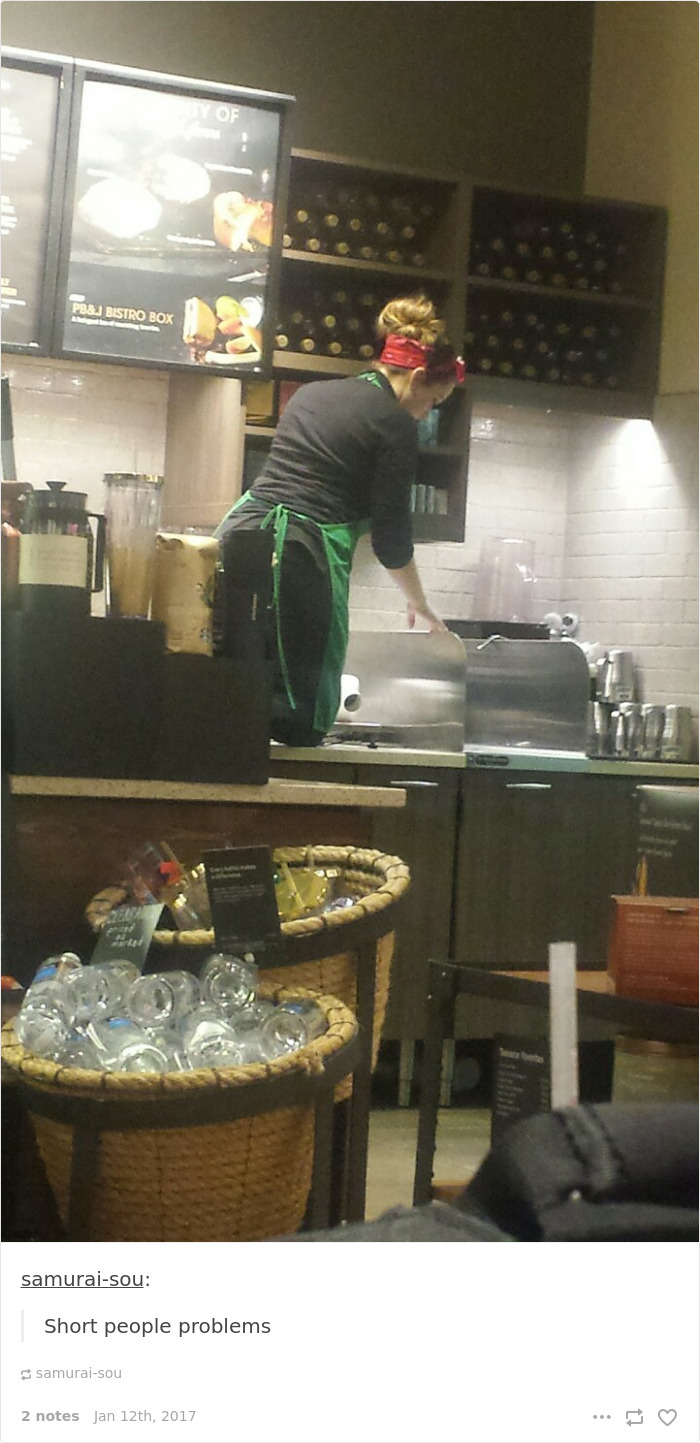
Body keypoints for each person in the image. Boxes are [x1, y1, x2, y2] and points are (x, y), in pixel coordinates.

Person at [215, 293, 465, 746]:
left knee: (226, 675)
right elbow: (391, 538)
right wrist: (420, 603)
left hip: (239, 531)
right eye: (434, 400)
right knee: (303, 715)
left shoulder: (313, 393)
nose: (428, 412)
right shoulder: (395, 424)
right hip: (300, 551)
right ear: (419, 376)